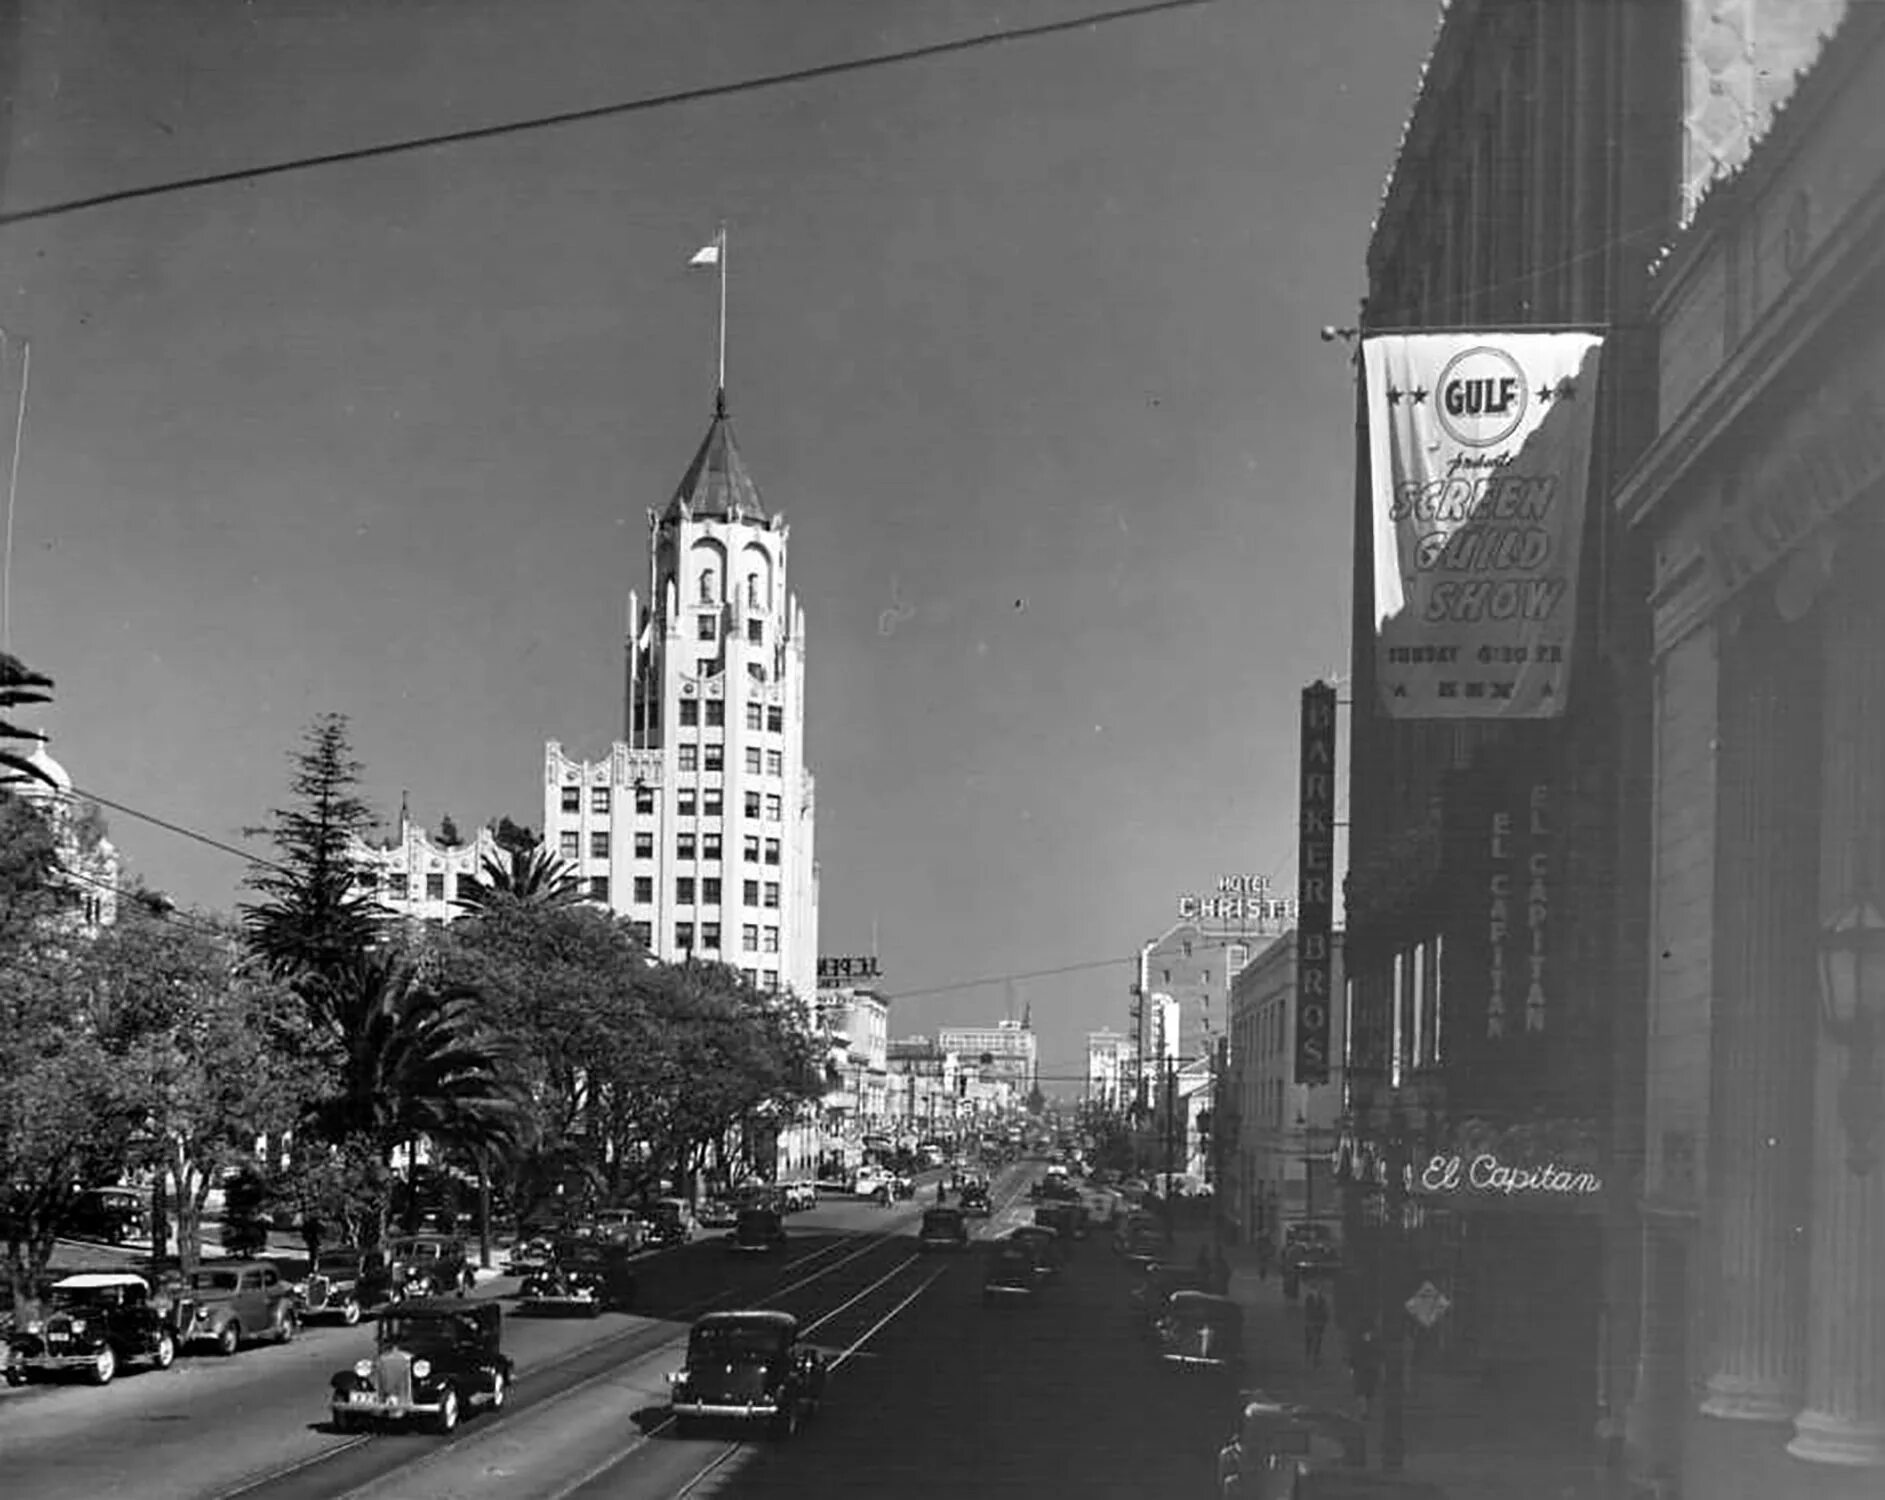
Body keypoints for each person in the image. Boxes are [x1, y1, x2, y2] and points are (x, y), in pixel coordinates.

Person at [1350, 1321, 1381, 1418]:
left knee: (1367, 1391)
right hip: (1363, 1369)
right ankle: (1364, 1411)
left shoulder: (1373, 1343)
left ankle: (1365, 1411)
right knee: (1363, 1391)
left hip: (1368, 1369)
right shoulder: (1362, 1343)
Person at [1303, 1288, 1329, 1367]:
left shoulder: (1313, 1299)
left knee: (1314, 1340)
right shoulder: (1311, 1299)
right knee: (1312, 1340)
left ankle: (1313, 1357)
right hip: (1313, 1322)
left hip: (1315, 1322)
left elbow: (1325, 1312)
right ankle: (1312, 1357)